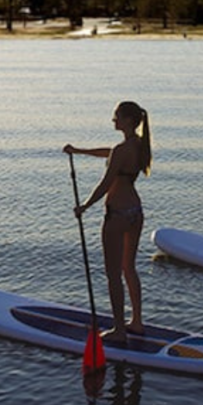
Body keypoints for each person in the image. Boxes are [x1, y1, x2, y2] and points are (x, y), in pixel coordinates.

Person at [64, 101, 152, 343]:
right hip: (136, 212)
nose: (113, 120)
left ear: (126, 120)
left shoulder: (122, 149)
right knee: (129, 268)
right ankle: (136, 322)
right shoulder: (137, 145)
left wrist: (85, 206)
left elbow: (105, 183)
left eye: (116, 116)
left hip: (118, 216)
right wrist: (79, 151)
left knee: (113, 274)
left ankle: (119, 331)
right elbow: (110, 153)